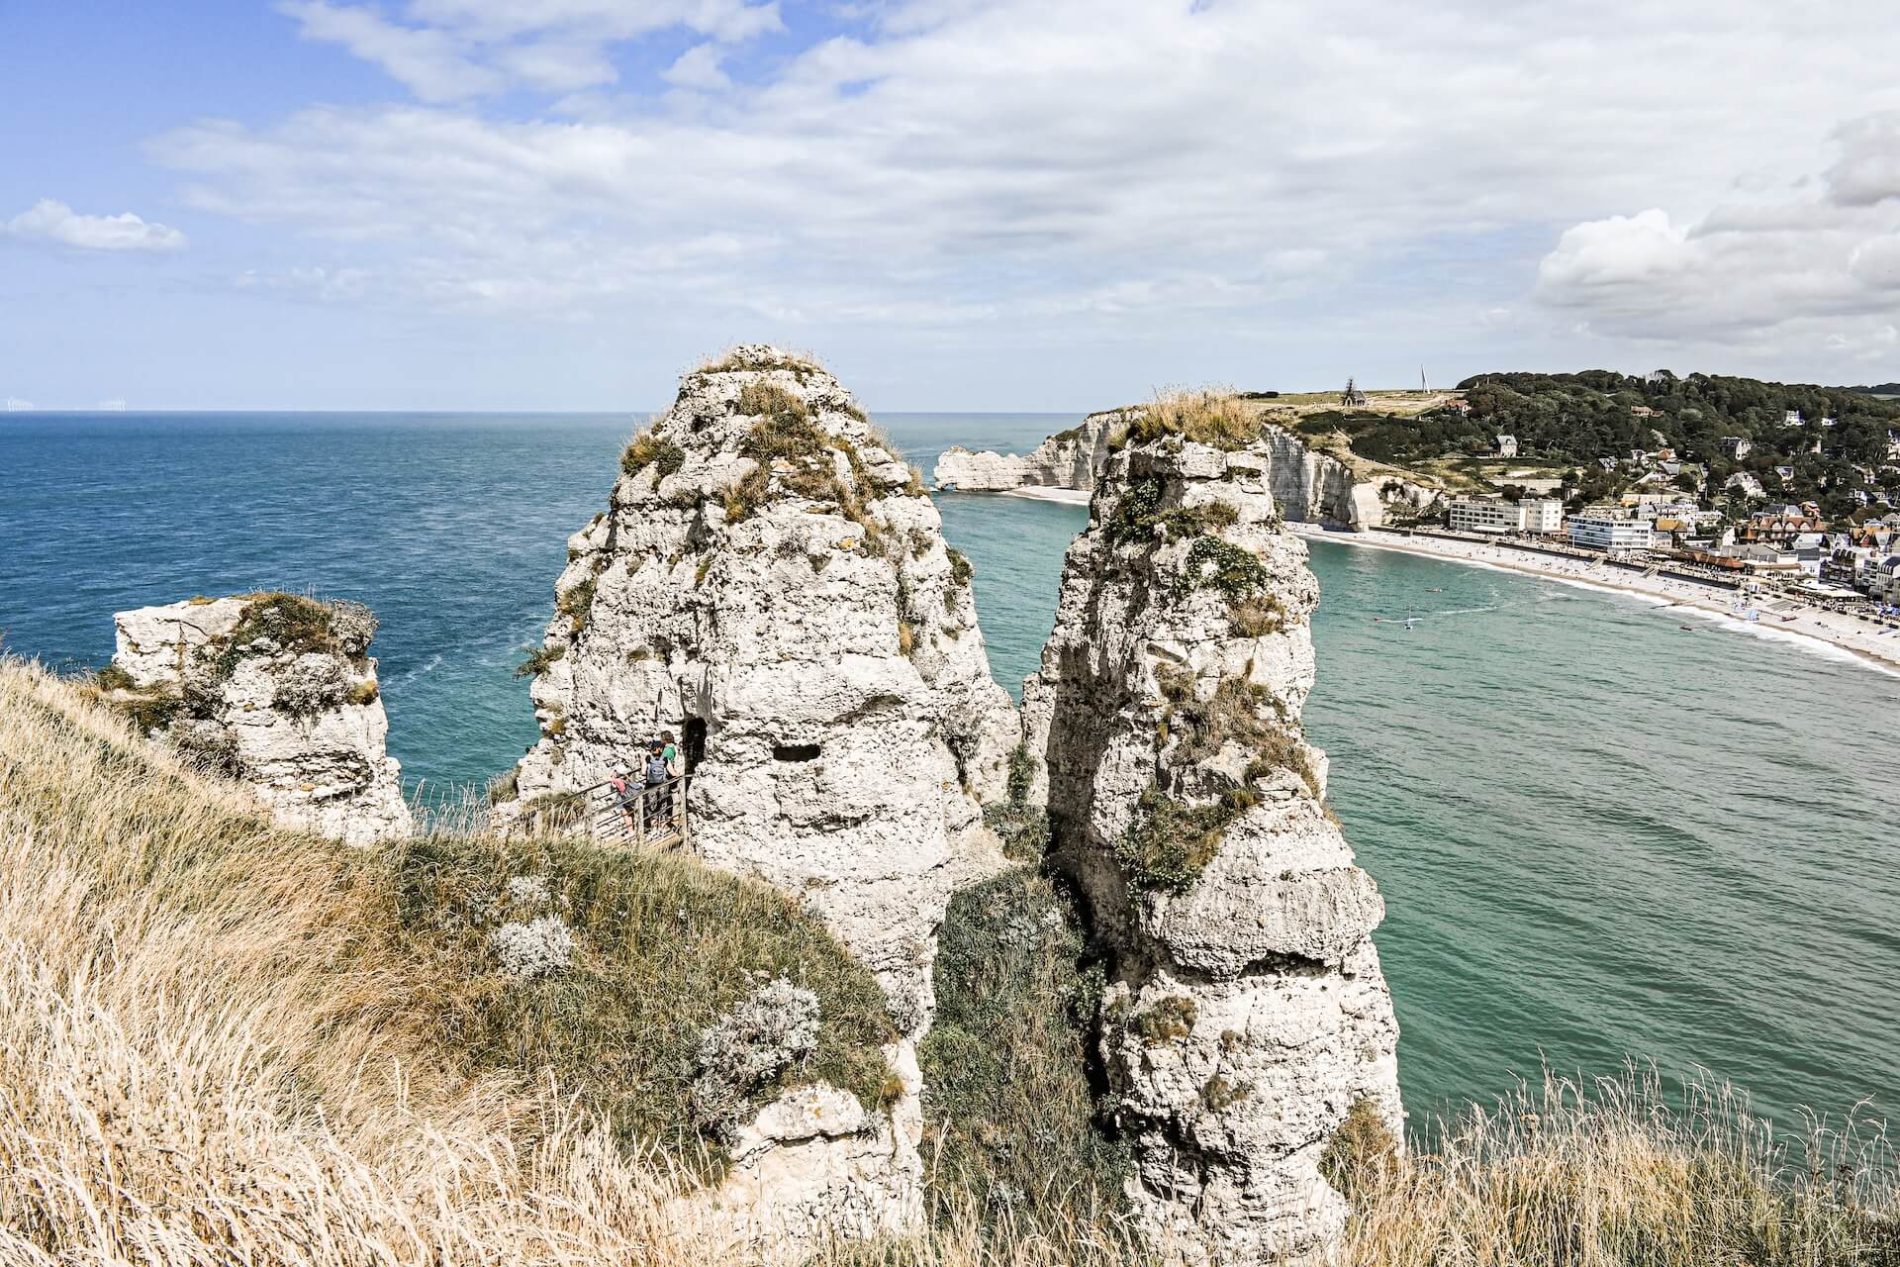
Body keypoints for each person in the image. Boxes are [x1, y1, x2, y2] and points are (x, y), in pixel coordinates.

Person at [642, 740, 670, 833]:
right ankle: (663, 828)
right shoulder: (665, 758)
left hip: (651, 787)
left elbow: (642, 772)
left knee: (652, 807)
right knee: (663, 805)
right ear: (660, 748)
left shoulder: (648, 758)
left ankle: (654, 829)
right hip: (662, 786)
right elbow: (673, 773)